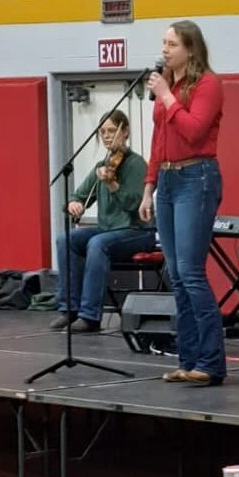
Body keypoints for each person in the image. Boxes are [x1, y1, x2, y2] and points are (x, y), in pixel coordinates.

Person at [139, 20, 226, 386]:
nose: (165, 50)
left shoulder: (208, 84)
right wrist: (149, 187)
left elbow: (193, 130)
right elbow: (161, 138)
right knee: (175, 276)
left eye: (172, 44)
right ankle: (188, 360)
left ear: (190, 49)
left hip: (197, 177)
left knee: (191, 272)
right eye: (163, 43)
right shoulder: (167, 87)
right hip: (170, 181)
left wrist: (167, 97)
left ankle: (211, 362)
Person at [51, 110, 156, 333]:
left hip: (137, 231)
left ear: (125, 132)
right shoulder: (103, 165)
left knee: (98, 243)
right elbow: (78, 195)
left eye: (111, 131)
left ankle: (90, 316)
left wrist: (113, 186)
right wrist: (74, 204)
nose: (107, 136)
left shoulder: (137, 164)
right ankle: (69, 308)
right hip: (109, 230)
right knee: (66, 239)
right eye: (102, 132)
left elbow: (135, 205)